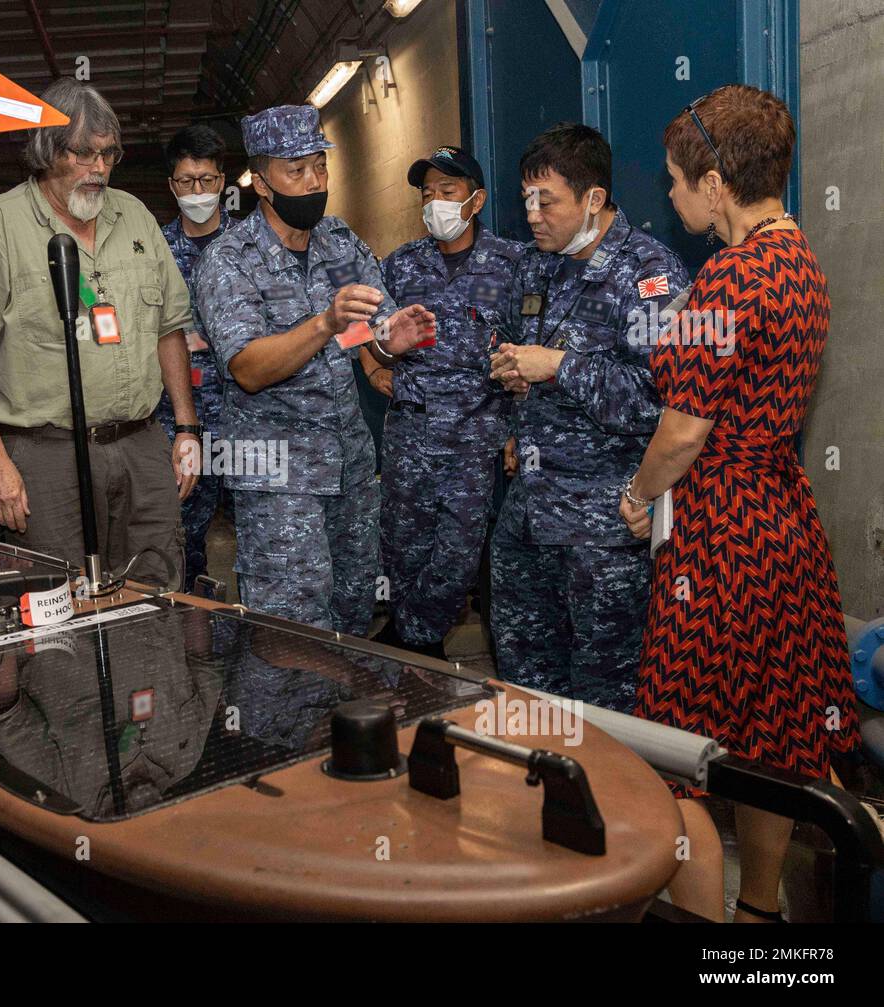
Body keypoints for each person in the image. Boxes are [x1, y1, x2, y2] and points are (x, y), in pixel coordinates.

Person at [620, 85, 861, 923]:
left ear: (717, 182)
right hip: (782, 524)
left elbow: (683, 433)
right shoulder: (802, 263)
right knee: (772, 742)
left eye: (678, 180)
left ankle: (706, 933)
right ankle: (761, 913)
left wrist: (639, 494)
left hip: (720, 537)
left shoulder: (728, 277)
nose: (673, 193)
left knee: (677, 756)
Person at [0, 79, 197, 587]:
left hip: (142, 447)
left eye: (110, 155)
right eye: (84, 154)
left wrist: (185, 429)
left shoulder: (135, 216)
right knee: (58, 604)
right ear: (47, 150)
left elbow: (169, 329)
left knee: (157, 587)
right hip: (45, 456)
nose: (99, 169)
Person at [192, 104, 434, 635]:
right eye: (295, 171)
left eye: (319, 166)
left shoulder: (339, 242)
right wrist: (324, 322)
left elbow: (365, 333)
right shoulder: (229, 259)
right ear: (261, 180)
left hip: (348, 467)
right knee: (293, 627)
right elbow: (249, 368)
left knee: (352, 616)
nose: (313, 181)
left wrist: (394, 341)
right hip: (278, 475)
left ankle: (340, 717)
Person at [487, 123, 688, 712]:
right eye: (526, 199)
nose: (531, 214)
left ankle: (615, 804)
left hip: (603, 530)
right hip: (528, 514)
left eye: (545, 200)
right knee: (529, 685)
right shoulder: (537, 266)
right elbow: (517, 349)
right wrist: (513, 376)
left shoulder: (652, 277)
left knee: (608, 700)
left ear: (593, 198)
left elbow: (660, 402)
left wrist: (558, 366)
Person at [367, 146, 524, 657]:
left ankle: (419, 635)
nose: (435, 202)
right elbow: (355, 330)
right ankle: (419, 644)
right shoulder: (400, 265)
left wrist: (519, 427)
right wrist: (375, 362)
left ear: (475, 200)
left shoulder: (514, 265)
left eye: (447, 192)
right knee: (400, 543)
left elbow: (535, 346)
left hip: (475, 437)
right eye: (427, 194)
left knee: (456, 552)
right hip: (410, 431)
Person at [156, 124, 234, 592]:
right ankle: (189, 627)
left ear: (223, 181)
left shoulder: (253, 247)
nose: (197, 191)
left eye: (206, 180)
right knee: (181, 530)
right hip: (177, 417)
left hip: (245, 413)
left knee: (266, 528)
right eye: (187, 182)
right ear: (172, 186)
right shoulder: (152, 250)